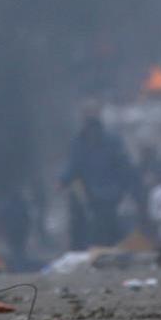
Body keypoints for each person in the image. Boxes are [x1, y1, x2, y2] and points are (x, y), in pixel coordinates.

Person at [59, 102, 138, 249]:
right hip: (91, 195)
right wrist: (62, 181)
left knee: (112, 226)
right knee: (88, 226)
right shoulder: (79, 144)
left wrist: (126, 188)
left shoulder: (112, 143)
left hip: (112, 193)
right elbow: (73, 166)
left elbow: (124, 166)